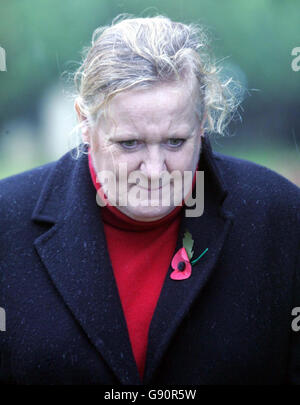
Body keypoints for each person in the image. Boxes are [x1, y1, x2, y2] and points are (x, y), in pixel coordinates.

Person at [0, 15, 300, 385]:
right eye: (130, 143)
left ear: (202, 121)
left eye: (175, 141)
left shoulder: (281, 217)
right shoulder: (5, 221)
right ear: (85, 122)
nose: (156, 171)